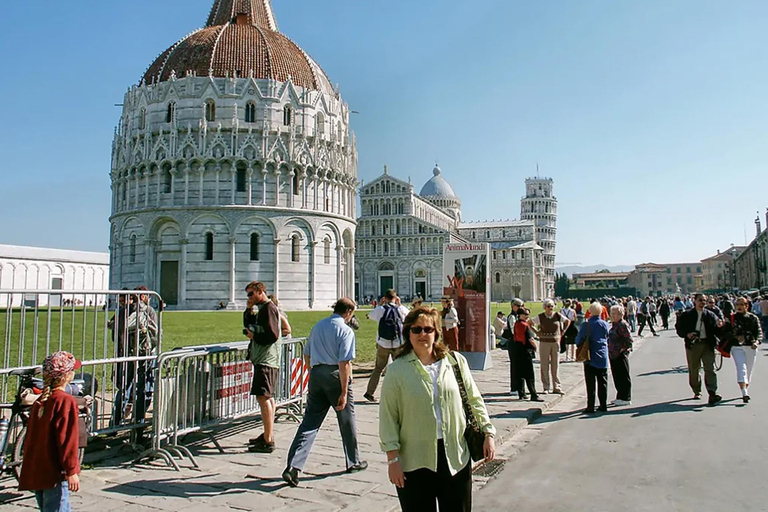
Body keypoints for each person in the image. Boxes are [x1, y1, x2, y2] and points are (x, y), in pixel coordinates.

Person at [379, 307, 496, 511]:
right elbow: (388, 417)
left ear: (436, 333)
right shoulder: (397, 370)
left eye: (428, 329)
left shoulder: (455, 362)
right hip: (414, 460)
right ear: (408, 333)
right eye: (416, 330)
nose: (422, 335)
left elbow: (474, 399)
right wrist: (393, 460)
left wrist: (488, 432)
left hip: (455, 456)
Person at [283, 298, 367, 487]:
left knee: (309, 422)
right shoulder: (345, 331)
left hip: (316, 373)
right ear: (349, 312)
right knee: (346, 420)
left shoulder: (319, 325)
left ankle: (293, 466)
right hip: (335, 375)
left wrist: (313, 372)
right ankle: (353, 461)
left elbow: (307, 353)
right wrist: (344, 391)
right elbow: (345, 363)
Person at [18, 351, 82, 510]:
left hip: (38, 470)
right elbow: (67, 439)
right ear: (67, 376)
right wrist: (71, 470)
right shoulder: (65, 401)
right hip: (55, 473)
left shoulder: (41, 401)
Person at [244, 281, 281, 453]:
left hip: (267, 359)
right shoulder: (262, 309)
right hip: (264, 359)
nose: (249, 297)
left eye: (251, 294)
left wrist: (255, 336)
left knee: (263, 397)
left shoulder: (269, 308)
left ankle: (267, 441)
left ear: (260, 291)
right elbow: (250, 325)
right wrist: (248, 309)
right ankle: (268, 434)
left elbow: (272, 335)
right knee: (268, 397)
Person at [675, 293, 724, 405]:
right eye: (700, 300)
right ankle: (697, 390)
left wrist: (721, 326)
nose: (702, 303)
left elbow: (717, 330)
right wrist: (687, 334)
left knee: (709, 368)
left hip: (707, 344)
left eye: (704, 301)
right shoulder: (687, 314)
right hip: (693, 345)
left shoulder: (710, 315)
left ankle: (712, 392)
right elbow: (679, 328)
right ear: (695, 301)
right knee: (694, 369)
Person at [364, 289, 409, 402]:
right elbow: (408, 316)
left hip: (383, 343)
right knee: (401, 368)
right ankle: (402, 393)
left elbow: (370, 316)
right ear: (396, 297)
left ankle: (370, 392)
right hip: (398, 343)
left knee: (378, 368)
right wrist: (400, 304)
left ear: (385, 298)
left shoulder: (380, 309)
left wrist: (380, 304)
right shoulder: (401, 309)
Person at [722, 297, 762, 402]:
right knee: (741, 368)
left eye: (741, 304)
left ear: (746, 306)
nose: (739, 306)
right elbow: (724, 332)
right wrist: (734, 335)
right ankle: (744, 393)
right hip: (736, 347)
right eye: (737, 304)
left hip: (750, 346)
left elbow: (758, 332)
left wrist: (756, 342)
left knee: (748, 370)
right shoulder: (731, 318)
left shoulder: (753, 318)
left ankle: (745, 387)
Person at [575, 302, 610, 413]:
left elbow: (578, 340)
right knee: (603, 382)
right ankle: (603, 405)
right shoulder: (605, 324)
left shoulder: (586, 325)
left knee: (590, 383)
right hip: (602, 355)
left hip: (590, 355)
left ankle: (591, 406)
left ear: (590, 311)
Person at [532, 299, 569, 394]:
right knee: (544, 364)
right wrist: (537, 332)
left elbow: (567, 321)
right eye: (548, 306)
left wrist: (563, 332)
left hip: (555, 342)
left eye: (552, 306)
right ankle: (546, 387)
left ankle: (556, 386)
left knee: (555, 364)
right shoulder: (540, 316)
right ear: (545, 307)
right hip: (544, 342)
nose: (550, 308)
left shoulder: (557, 315)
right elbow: (529, 323)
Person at [512, 308, 543, 401]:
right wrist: (535, 347)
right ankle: (533, 394)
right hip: (526, 350)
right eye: (526, 314)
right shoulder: (525, 325)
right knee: (529, 374)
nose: (527, 316)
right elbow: (530, 339)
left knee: (520, 373)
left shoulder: (516, 324)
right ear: (520, 315)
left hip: (517, 349)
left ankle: (521, 393)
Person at [608, 305, 633, 406]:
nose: (612, 316)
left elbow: (629, 339)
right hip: (613, 354)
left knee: (623, 376)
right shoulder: (614, 324)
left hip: (620, 354)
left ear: (620, 314)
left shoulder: (622, 324)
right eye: (612, 314)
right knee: (617, 376)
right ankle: (620, 396)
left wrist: (623, 349)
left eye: (614, 314)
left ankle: (626, 397)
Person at [501, 299, 524, 396]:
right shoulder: (512, 317)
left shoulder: (519, 316)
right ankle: (514, 387)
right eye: (518, 306)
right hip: (514, 343)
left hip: (518, 343)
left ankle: (519, 387)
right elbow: (514, 331)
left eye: (521, 306)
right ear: (512, 306)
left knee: (519, 366)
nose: (520, 308)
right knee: (515, 365)